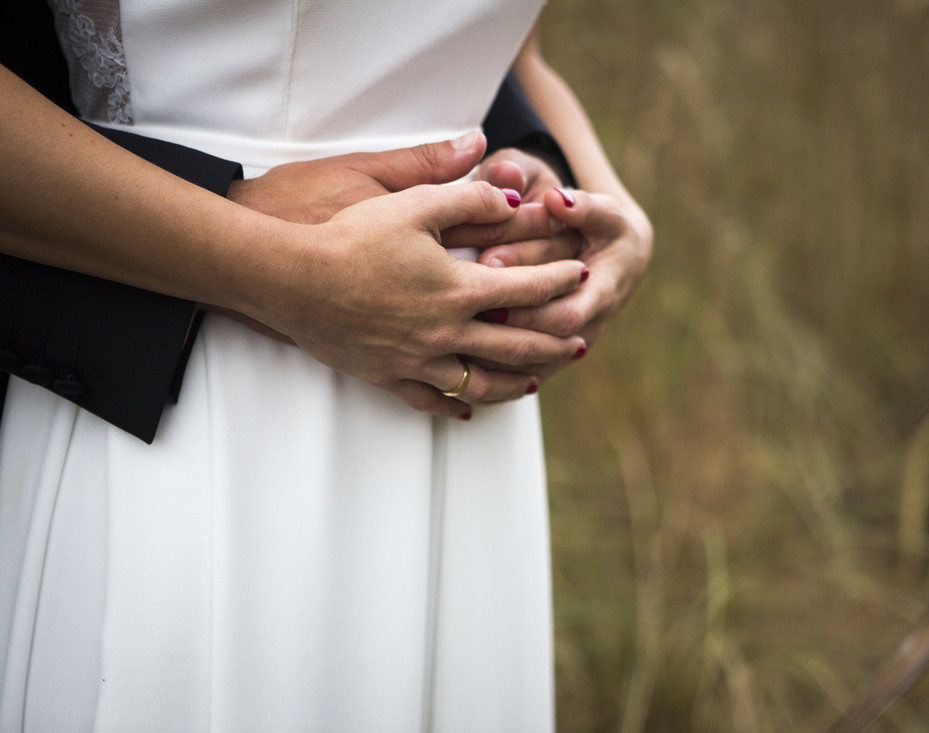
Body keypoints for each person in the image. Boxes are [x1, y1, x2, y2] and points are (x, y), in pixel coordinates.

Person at [0, 2, 651, 731]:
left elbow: (515, 56)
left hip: (459, 396)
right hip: (182, 380)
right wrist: (270, 265)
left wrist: (598, 200)